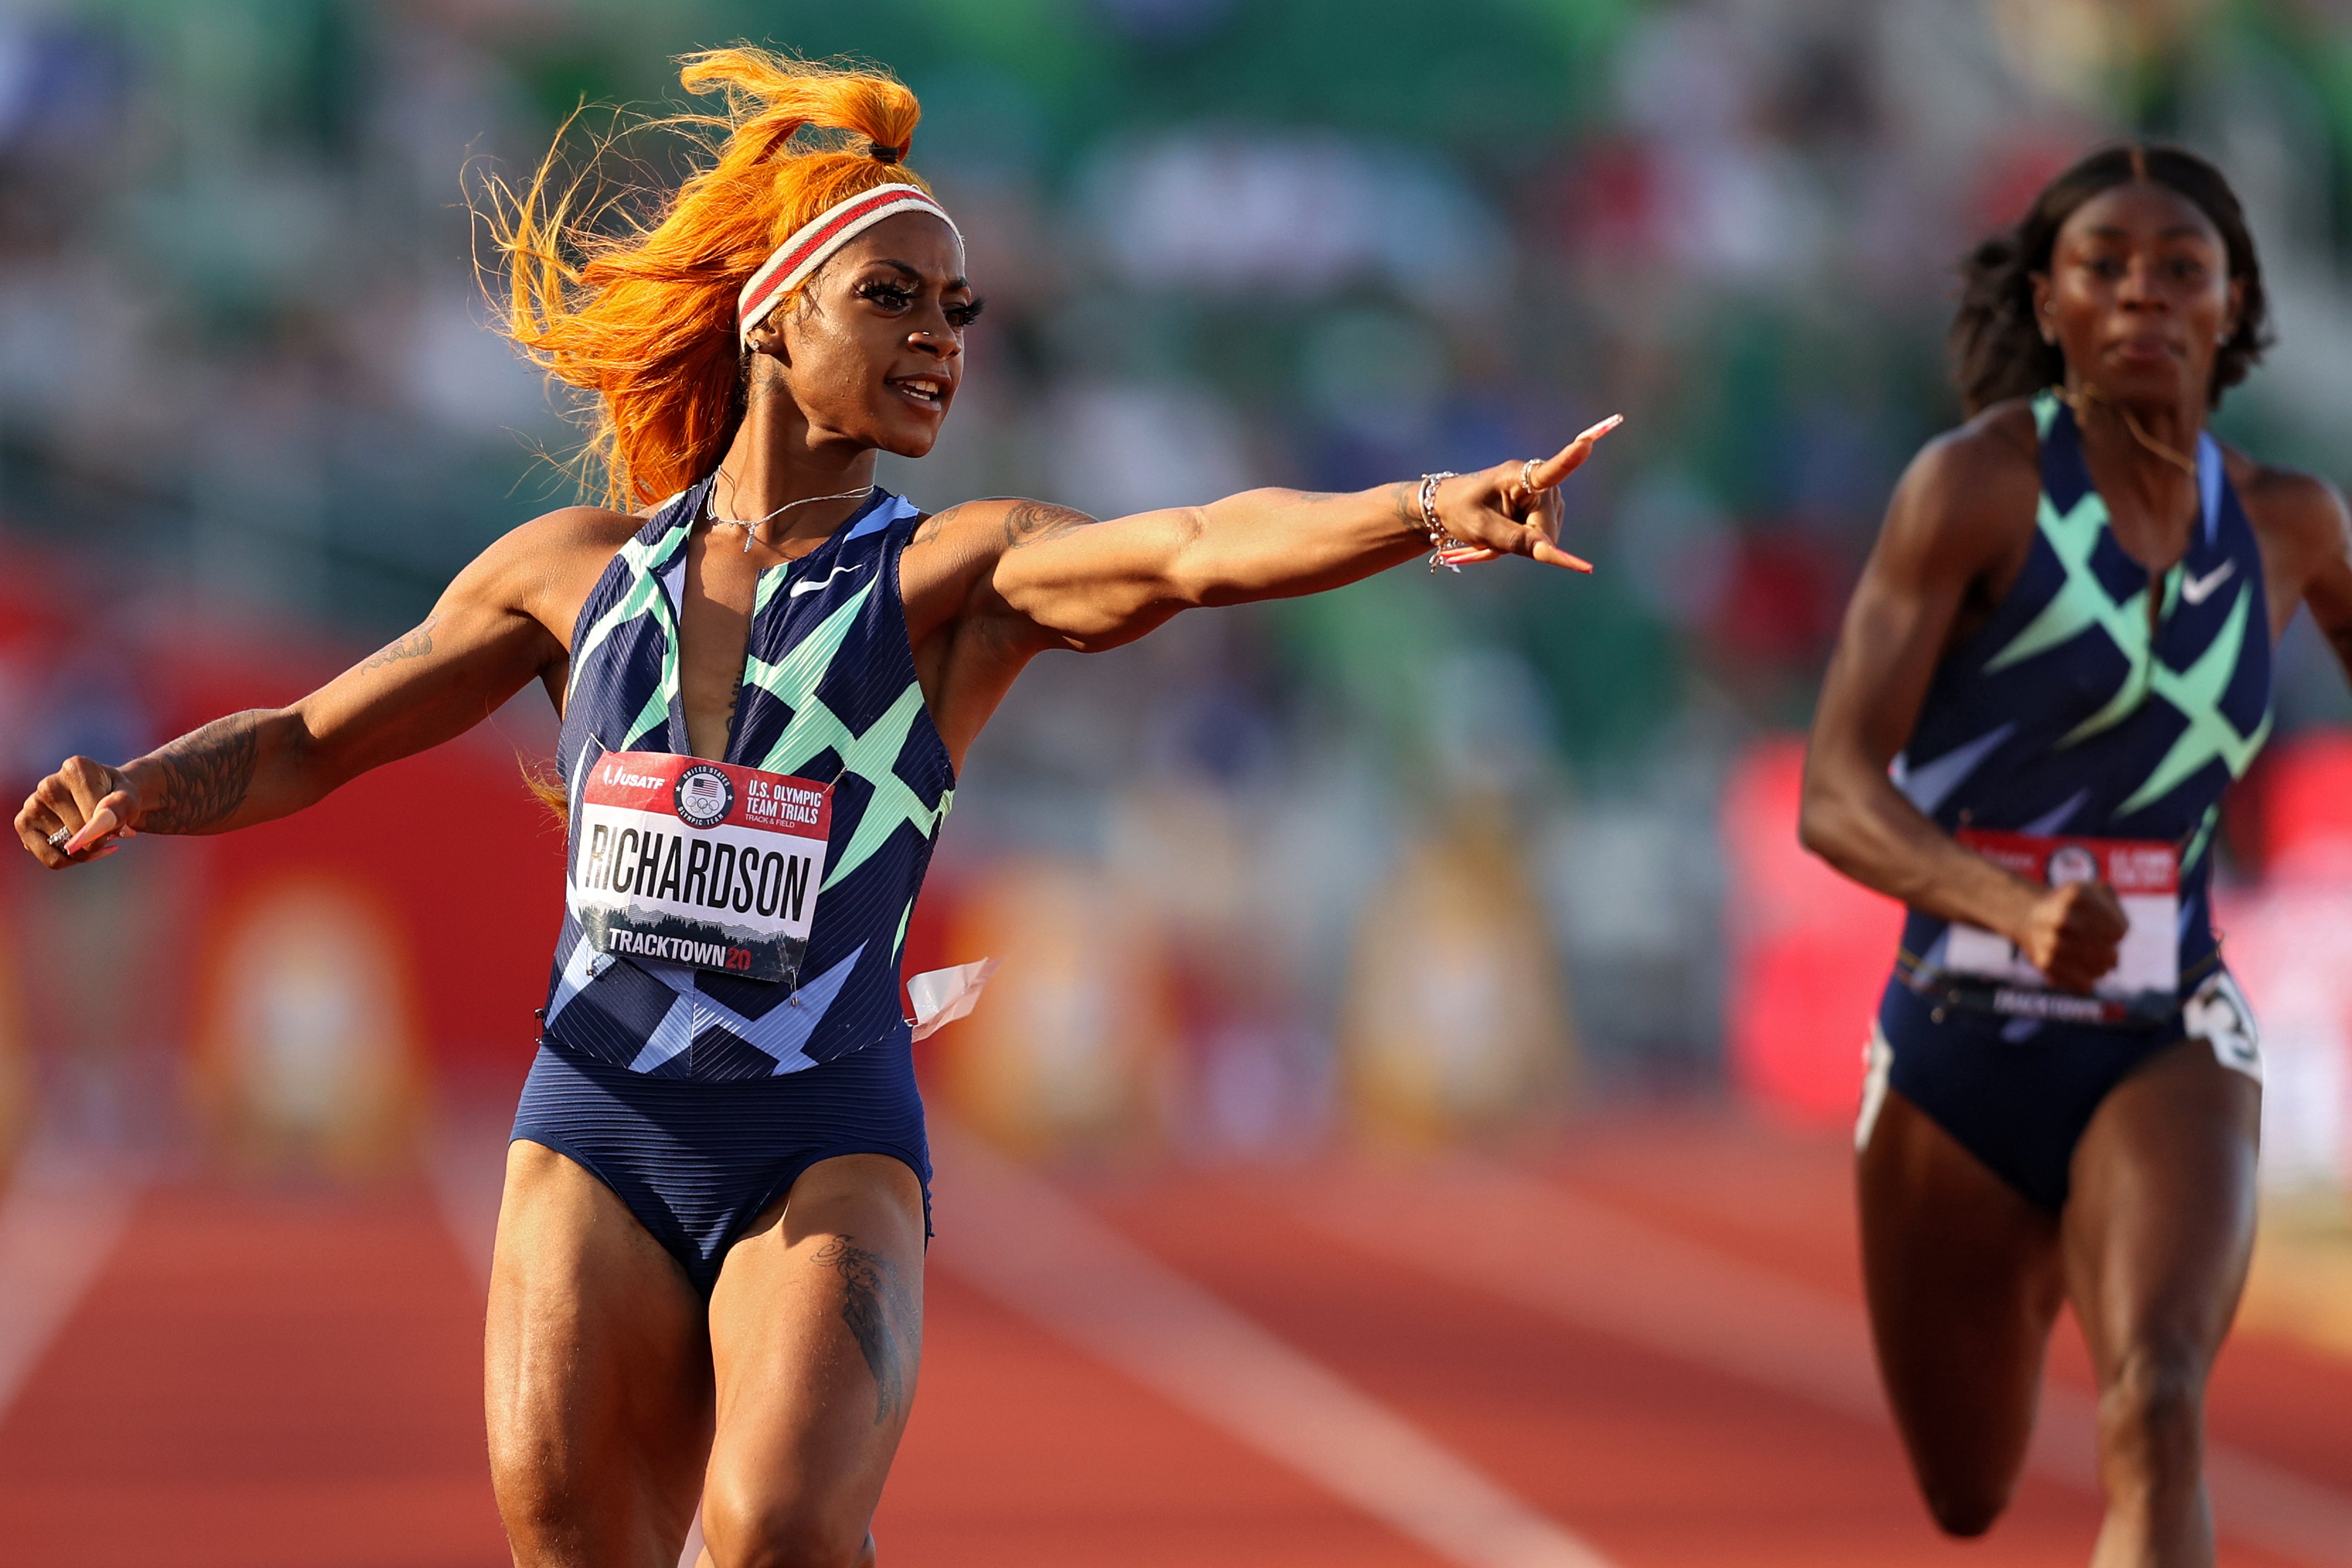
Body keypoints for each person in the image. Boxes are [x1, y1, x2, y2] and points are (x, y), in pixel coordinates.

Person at [13, 50, 1616, 1568]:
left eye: (960, 309)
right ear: (773, 321)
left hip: (819, 1139)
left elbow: (1194, 543)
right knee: (571, 1543)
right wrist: (140, 791)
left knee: (785, 1532)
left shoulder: (950, 580)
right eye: (894, 297)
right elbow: (308, 736)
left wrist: (1423, 511)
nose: (943, 337)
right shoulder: (568, 574)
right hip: (595, 1128)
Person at [1801, 143, 2352, 1564]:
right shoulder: (1973, 489)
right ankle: (2046, 1235)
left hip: (2164, 1034)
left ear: (2234, 304)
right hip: (1963, 1036)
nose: (2145, 297)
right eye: (2105, 267)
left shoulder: (2292, 526)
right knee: (1969, 1491)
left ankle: (2114, 1224)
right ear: (2049, 302)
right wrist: (2011, 903)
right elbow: (1835, 792)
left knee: (2158, 1404)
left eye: (2184, 270)